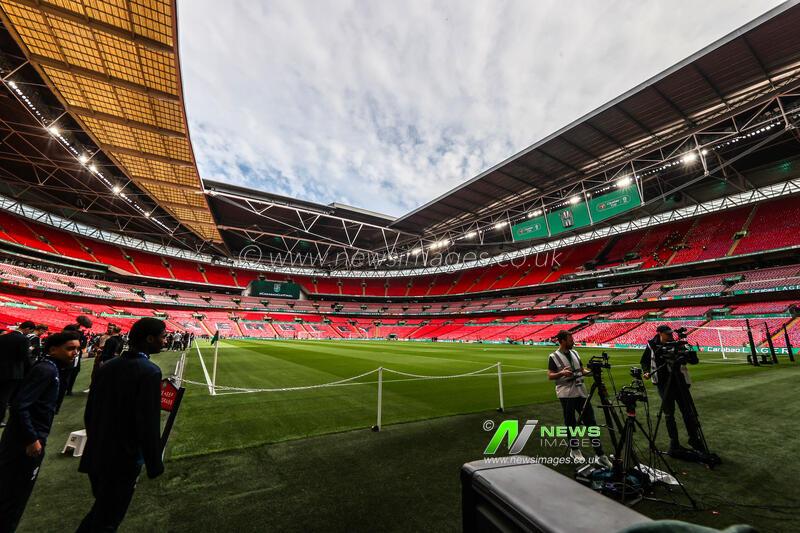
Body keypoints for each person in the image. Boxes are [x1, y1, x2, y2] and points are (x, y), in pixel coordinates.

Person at [76, 318, 166, 532]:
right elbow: (148, 423)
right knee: (107, 519)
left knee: (102, 510)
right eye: (162, 337)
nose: (164, 341)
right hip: (123, 458)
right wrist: (154, 463)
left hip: (97, 453)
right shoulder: (150, 372)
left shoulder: (108, 366)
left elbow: (90, 413)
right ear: (150, 338)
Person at [0, 331, 80, 532]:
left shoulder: (51, 367)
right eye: (70, 348)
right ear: (53, 349)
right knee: (14, 494)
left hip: (27, 437)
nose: (75, 353)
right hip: (24, 442)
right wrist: (32, 438)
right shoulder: (46, 370)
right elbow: (20, 406)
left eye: (77, 349)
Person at [547, 330, 612, 467]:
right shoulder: (553, 356)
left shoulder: (575, 352)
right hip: (566, 394)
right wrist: (561, 373)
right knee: (570, 423)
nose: (573, 341)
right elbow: (550, 376)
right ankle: (574, 450)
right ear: (562, 341)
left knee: (591, 422)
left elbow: (581, 370)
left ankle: (600, 454)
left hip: (581, 393)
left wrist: (591, 373)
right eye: (570, 340)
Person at [641, 325, 702, 453]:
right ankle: (674, 443)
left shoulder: (677, 344)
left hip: (680, 381)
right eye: (667, 334)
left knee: (688, 412)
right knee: (669, 414)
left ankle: (694, 439)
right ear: (659, 333)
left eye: (671, 334)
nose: (670, 336)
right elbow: (644, 361)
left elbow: (693, 361)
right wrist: (646, 371)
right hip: (663, 383)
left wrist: (689, 351)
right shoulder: (651, 345)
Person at [0, 321, 35, 427]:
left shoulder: (3, 337)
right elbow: (25, 357)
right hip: (13, 373)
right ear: (27, 329)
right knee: (4, 397)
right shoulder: (23, 339)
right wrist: (32, 369)